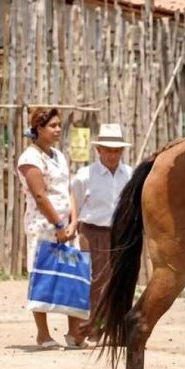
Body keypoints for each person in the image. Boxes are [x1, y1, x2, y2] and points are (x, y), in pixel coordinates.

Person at [16, 107, 88, 350]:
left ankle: (74, 333)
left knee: (72, 276)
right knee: (44, 277)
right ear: (38, 128)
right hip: (43, 226)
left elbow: (68, 190)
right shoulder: (30, 158)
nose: (58, 129)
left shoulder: (59, 155)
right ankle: (43, 334)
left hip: (66, 227)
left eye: (59, 125)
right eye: (53, 125)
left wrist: (73, 222)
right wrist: (57, 224)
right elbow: (39, 194)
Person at [69, 124, 132, 341]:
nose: (112, 155)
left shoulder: (130, 174)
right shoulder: (85, 175)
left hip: (121, 235)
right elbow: (74, 203)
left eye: (116, 150)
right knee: (96, 281)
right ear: (99, 151)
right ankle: (93, 329)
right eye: (108, 150)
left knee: (120, 281)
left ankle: (117, 330)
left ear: (122, 151)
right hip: (92, 232)